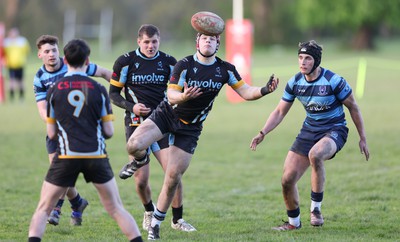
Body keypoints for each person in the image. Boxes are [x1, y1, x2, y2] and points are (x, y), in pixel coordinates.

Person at [119, 30, 279, 240]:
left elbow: (246, 91)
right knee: (133, 145)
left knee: (173, 176)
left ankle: (156, 225)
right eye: (204, 38)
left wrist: (265, 89)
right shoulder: (184, 64)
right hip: (167, 115)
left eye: (212, 39)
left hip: (191, 128)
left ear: (217, 44)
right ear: (197, 42)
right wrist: (184, 96)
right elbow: (170, 94)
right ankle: (141, 159)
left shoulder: (225, 69)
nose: (208, 42)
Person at [28, 38, 143, 242]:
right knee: (116, 209)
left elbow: (52, 133)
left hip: (66, 154)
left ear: (66, 60)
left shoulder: (54, 90)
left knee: (43, 209)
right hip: (95, 155)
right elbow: (108, 131)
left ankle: (68, 207)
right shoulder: (98, 90)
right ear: (87, 60)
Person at [250, 40, 370, 230]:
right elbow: (280, 112)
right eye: (300, 58)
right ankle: (293, 224)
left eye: (307, 58)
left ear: (316, 61)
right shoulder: (295, 82)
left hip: (335, 129)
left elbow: (353, 107)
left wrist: (362, 138)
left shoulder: (333, 81)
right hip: (309, 131)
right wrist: (263, 132)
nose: (302, 62)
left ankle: (316, 210)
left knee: (316, 154)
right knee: (287, 180)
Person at [109, 24, 196, 232]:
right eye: (146, 42)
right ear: (139, 41)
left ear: (159, 41)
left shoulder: (168, 62)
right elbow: (113, 94)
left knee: (173, 174)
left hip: (162, 124)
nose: (150, 46)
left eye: (154, 41)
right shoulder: (125, 62)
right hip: (136, 125)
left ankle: (177, 220)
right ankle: (149, 211)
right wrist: (132, 107)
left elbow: (179, 92)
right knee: (141, 181)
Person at [33, 35, 112, 226]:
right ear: (39, 55)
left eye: (54, 50)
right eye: (47, 51)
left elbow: (103, 72)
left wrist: (119, 88)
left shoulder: (73, 64)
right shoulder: (40, 77)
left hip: (80, 130)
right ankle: (77, 202)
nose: (51, 54)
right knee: (59, 172)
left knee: (61, 174)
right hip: (56, 130)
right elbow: (43, 109)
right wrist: (55, 119)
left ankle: (57, 208)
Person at [3, 27, 30, 101]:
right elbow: (3, 52)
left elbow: (27, 51)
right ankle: (12, 98)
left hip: (20, 64)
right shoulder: (6, 42)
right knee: (11, 81)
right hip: (10, 65)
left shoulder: (22, 41)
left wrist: (25, 59)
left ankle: (21, 97)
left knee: (20, 81)